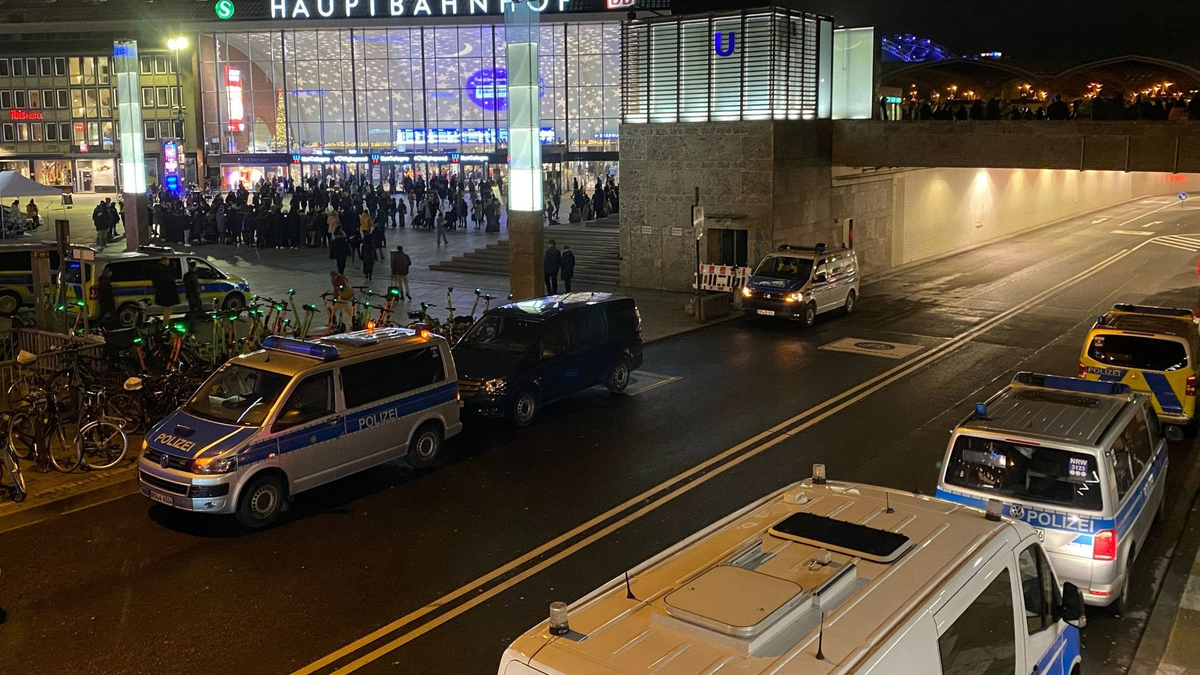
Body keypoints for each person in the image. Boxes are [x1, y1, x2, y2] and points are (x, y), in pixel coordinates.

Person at [151, 257, 180, 324]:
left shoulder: (157, 269)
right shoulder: (165, 270)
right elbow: (169, 280)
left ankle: (165, 322)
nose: (168, 262)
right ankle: (165, 323)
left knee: (167, 308)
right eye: (167, 261)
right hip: (167, 292)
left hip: (161, 292)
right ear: (164, 261)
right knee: (167, 308)